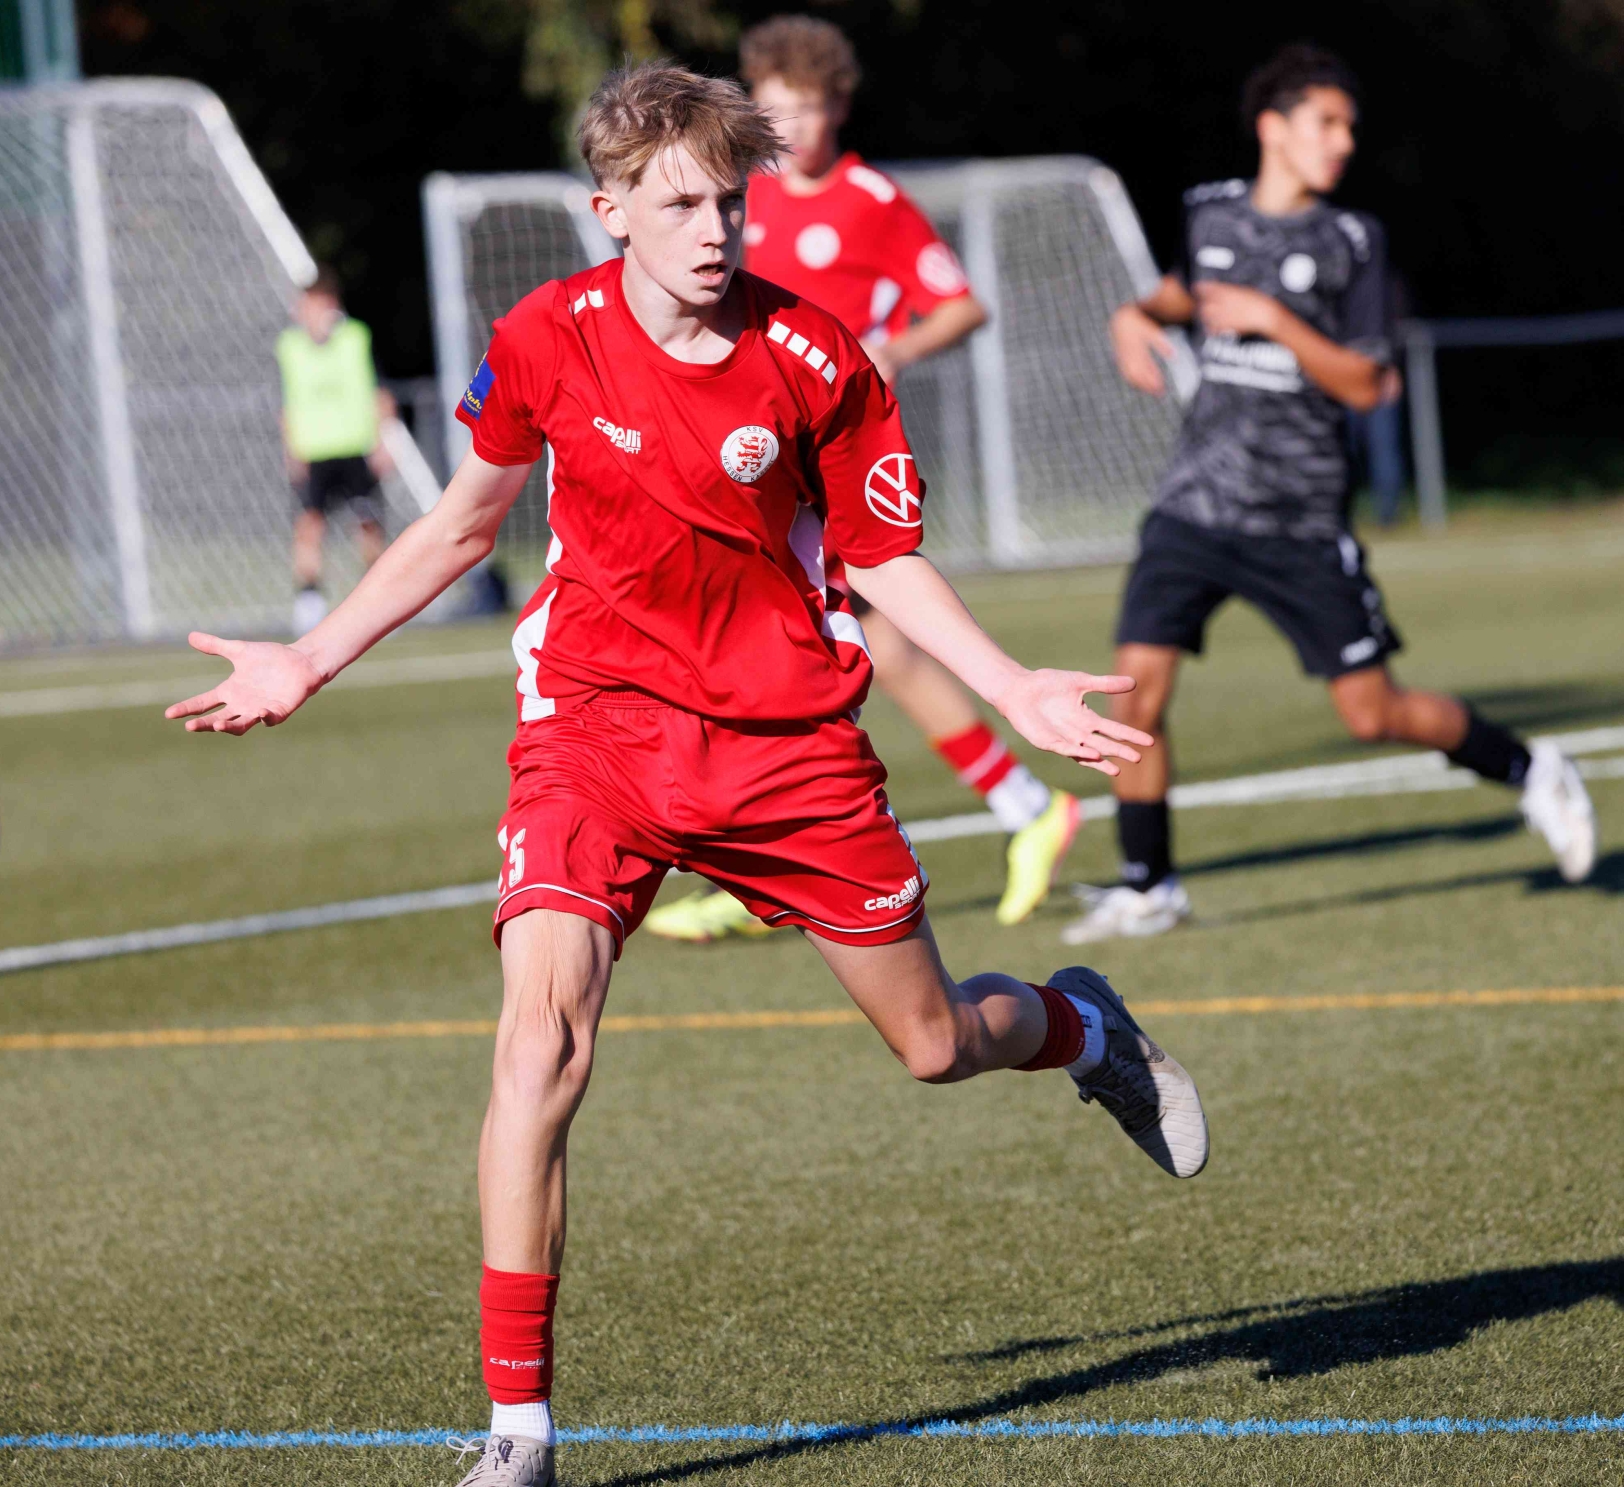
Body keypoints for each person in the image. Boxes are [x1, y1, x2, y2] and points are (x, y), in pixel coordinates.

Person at [166, 64, 1209, 1487]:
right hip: (593, 730)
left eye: (729, 202)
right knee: (538, 1048)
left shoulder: (816, 357)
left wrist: (1012, 681)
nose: (714, 231)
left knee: (932, 1043)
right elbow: (464, 523)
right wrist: (307, 655)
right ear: (609, 211)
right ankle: (520, 1433)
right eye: (678, 206)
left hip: (786, 748)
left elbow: (882, 558)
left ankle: (1085, 1030)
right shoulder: (544, 338)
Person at [1075, 43, 1597, 944]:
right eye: (1327, 122)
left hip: (1299, 518)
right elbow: (1185, 293)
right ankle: (1149, 885)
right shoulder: (1208, 210)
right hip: (1193, 506)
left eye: (1349, 126)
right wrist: (1134, 315)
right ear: (1273, 128)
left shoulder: (1351, 241)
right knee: (1136, 695)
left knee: (1371, 712)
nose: (1344, 141)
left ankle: (1530, 767)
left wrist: (1277, 321)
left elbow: (1367, 384)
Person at [646, 16, 1077, 945]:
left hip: (828, 455)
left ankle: (774, 864)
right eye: (774, 108)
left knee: (780, 647)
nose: (791, 126)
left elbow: (960, 304)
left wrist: (893, 346)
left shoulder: (870, 199)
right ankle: (1018, 807)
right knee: (864, 649)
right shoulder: (739, 194)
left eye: (807, 107)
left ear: (839, 106)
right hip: (751, 454)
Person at [276, 267, 394, 636]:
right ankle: (309, 601)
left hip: (355, 447)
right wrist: (290, 450)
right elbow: (286, 403)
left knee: (368, 524)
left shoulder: (356, 338)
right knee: (309, 526)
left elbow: (379, 392)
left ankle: (379, 603)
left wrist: (384, 441)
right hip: (313, 452)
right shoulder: (289, 347)